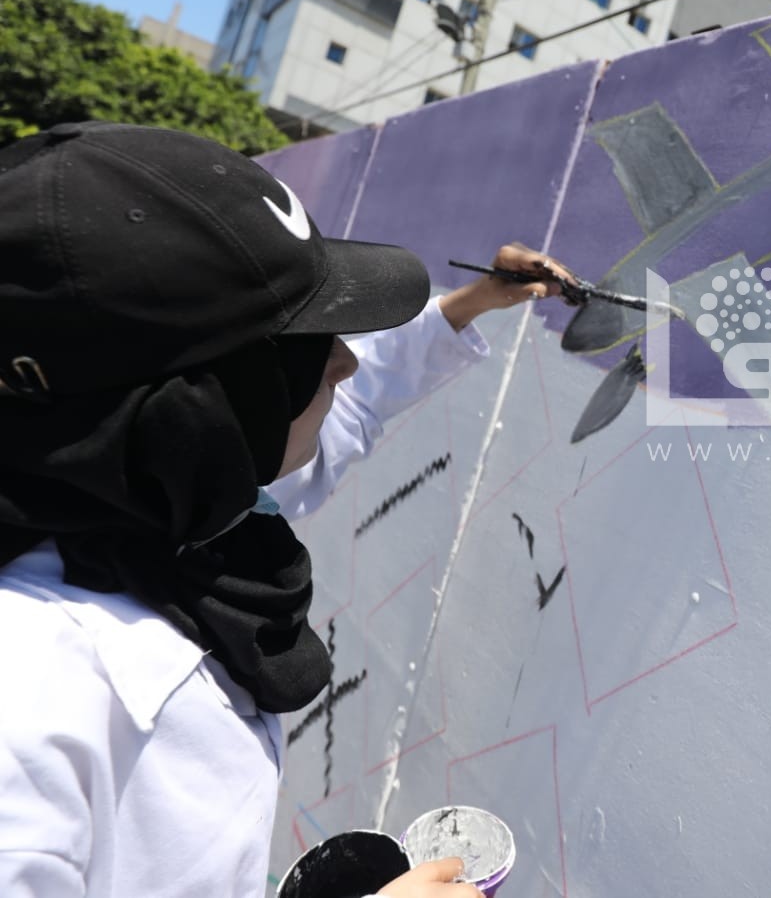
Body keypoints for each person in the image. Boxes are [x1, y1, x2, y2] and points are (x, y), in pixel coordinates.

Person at [0, 122, 574, 897]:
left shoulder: (140, 494)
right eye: (299, 346)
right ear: (196, 407)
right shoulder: (29, 696)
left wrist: (473, 304)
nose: (343, 359)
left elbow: (330, 412)